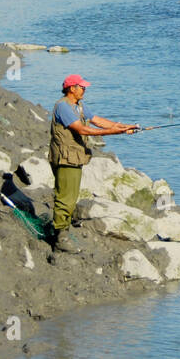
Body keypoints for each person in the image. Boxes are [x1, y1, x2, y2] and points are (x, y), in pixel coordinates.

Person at [48, 74, 138, 255]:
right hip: (65, 158)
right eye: (81, 87)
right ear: (71, 88)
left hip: (74, 158)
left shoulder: (79, 106)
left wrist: (124, 127)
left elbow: (97, 120)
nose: (84, 89)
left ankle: (63, 230)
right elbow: (81, 129)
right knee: (65, 197)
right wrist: (111, 133)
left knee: (71, 196)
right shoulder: (63, 107)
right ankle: (60, 237)